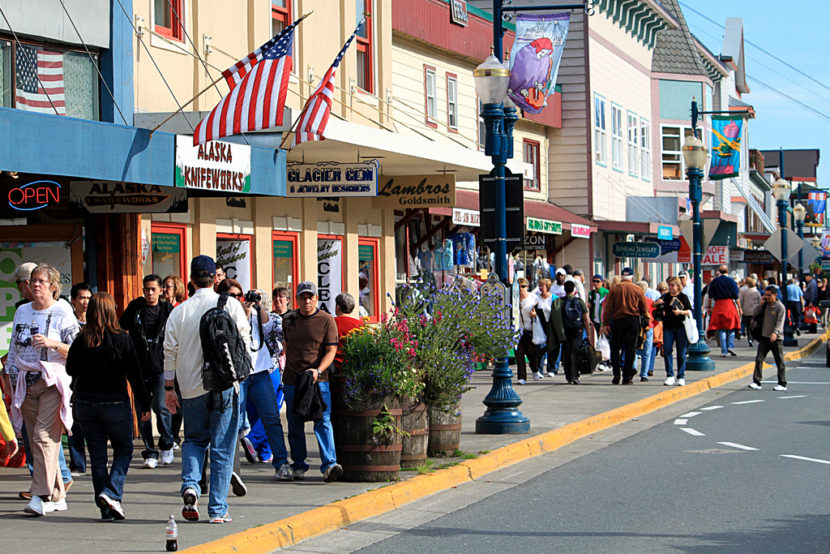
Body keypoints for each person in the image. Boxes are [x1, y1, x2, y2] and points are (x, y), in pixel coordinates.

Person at [163, 255, 251, 524]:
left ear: (190, 280)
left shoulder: (179, 311)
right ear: (215, 278)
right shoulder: (231, 306)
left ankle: (191, 485)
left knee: (194, 440)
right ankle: (218, 509)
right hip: (225, 386)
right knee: (223, 447)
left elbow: (168, 352)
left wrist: (169, 388)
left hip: (191, 388)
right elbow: (244, 344)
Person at [66, 292, 151, 521]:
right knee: (124, 450)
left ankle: (106, 507)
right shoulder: (122, 338)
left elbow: (70, 369)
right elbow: (135, 374)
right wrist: (144, 404)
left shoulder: (81, 338)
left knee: (98, 457)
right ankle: (111, 492)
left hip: (86, 403)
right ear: (112, 311)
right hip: (115, 402)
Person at [6, 264, 79, 516]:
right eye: (32, 281)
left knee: (44, 438)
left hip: (53, 382)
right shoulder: (23, 311)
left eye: (41, 281)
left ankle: (40, 495)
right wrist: (12, 377)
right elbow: (14, 347)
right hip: (26, 382)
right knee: (35, 441)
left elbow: (78, 350)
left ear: (53, 286)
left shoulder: (62, 311)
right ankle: (58, 495)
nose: (34, 285)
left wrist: (53, 343)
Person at [217, 280, 292, 481]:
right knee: (233, 422)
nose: (238, 299)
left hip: (260, 373)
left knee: (272, 418)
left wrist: (258, 307)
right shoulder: (225, 315)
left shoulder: (258, 313)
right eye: (232, 296)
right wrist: (243, 314)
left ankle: (281, 463)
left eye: (239, 295)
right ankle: (230, 469)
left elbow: (269, 328)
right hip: (238, 376)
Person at [281, 281, 343, 482]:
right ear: (297, 299)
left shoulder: (326, 320)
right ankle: (299, 465)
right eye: (303, 297)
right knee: (295, 422)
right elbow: (285, 345)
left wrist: (318, 370)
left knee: (322, 420)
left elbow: (331, 350)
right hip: (292, 380)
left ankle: (329, 464)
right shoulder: (289, 320)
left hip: (318, 380)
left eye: (311, 297)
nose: (307, 301)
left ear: (317, 298)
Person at [120, 274, 176, 469]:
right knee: (143, 410)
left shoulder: (167, 309)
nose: (150, 293)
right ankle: (149, 452)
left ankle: (166, 444)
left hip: (161, 366)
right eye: (147, 289)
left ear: (160, 290)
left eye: (153, 289)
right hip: (139, 368)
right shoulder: (135, 308)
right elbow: (121, 327)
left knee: (161, 406)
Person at [600, 268, 649, 385]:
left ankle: (616, 374)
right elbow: (644, 308)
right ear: (632, 277)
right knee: (630, 349)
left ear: (622, 277)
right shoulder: (637, 289)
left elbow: (608, 308)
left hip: (617, 321)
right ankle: (627, 376)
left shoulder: (614, 289)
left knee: (615, 348)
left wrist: (606, 323)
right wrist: (646, 321)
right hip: (632, 321)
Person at [67, 282, 92, 476]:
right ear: (73, 300)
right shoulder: (67, 321)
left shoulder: (95, 322)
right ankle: (77, 463)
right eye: (82, 298)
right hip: (72, 378)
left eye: (88, 298)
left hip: (93, 379)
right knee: (74, 421)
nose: (85, 302)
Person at [654, 276, 692, 387]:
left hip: (681, 326)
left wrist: (681, 312)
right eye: (669, 285)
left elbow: (690, 311)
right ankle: (670, 375)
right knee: (667, 350)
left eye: (672, 285)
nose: (670, 287)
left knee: (681, 352)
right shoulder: (665, 297)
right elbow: (654, 305)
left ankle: (681, 376)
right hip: (668, 327)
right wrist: (656, 303)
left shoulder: (683, 297)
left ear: (678, 286)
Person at [749, 285, 787, 391]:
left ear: (775, 295)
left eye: (769, 295)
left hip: (776, 338)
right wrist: (760, 304)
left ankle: (782, 383)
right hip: (765, 337)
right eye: (765, 295)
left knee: (779, 361)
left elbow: (780, 323)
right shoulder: (765, 305)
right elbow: (755, 313)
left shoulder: (780, 307)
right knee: (759, 359)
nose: (767, 297)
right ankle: (756, 381)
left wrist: (775, 333)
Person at [559, 281, 591, 385]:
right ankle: (575, 375)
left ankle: (568, 375)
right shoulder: (579, 301)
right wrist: (588, 332)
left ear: (564, 289)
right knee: (575, 352)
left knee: (566, 352)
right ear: (574, 290)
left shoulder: (560, 302)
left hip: (565, 329)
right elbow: (586, 318)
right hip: (577, 330)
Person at [706, 264, 741, 357]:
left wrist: (709, 306)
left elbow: (710, 296)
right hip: (729, 304)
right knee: (732, 326)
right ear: (727, 271)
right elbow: (736, 297)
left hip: (719, 305)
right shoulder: (732, 281)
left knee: (721, 328)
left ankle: (724, 350)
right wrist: (740, 308)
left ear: (719, 272)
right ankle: (731, 345)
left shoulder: (715, 282)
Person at [515, 278, 539, 385]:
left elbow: (540, 313)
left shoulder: (533, 298)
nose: (521, 289)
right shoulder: (514, 298)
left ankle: (535, 369)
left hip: (530, 329)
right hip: (518, 330)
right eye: (519, 287)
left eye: (523, 286)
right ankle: (521, 377)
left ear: (527, 287)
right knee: (519, 354)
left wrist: (535, 315)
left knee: (531, 353)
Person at [333, 293, 364, 373]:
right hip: (353, 366)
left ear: (338, 307)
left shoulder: (331, 323)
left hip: (334, 366)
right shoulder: (360, 325)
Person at [635, 280, 656, 382]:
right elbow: (653, 316)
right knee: (647, 352)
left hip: (636, 327)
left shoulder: (633, 301)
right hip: (648, 327)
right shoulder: (649, 301)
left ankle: (633, 367)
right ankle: (644, 374)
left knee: (634, 349)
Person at [739, 277, 762, 347]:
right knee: (755, 326)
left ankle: (750, 338)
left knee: (748, 326)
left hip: (746, 311)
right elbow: (760, 301)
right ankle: (754, 337)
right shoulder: (757, 292)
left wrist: (741, 309)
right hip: (755, 311)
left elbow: (741, 301)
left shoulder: (744, 292)